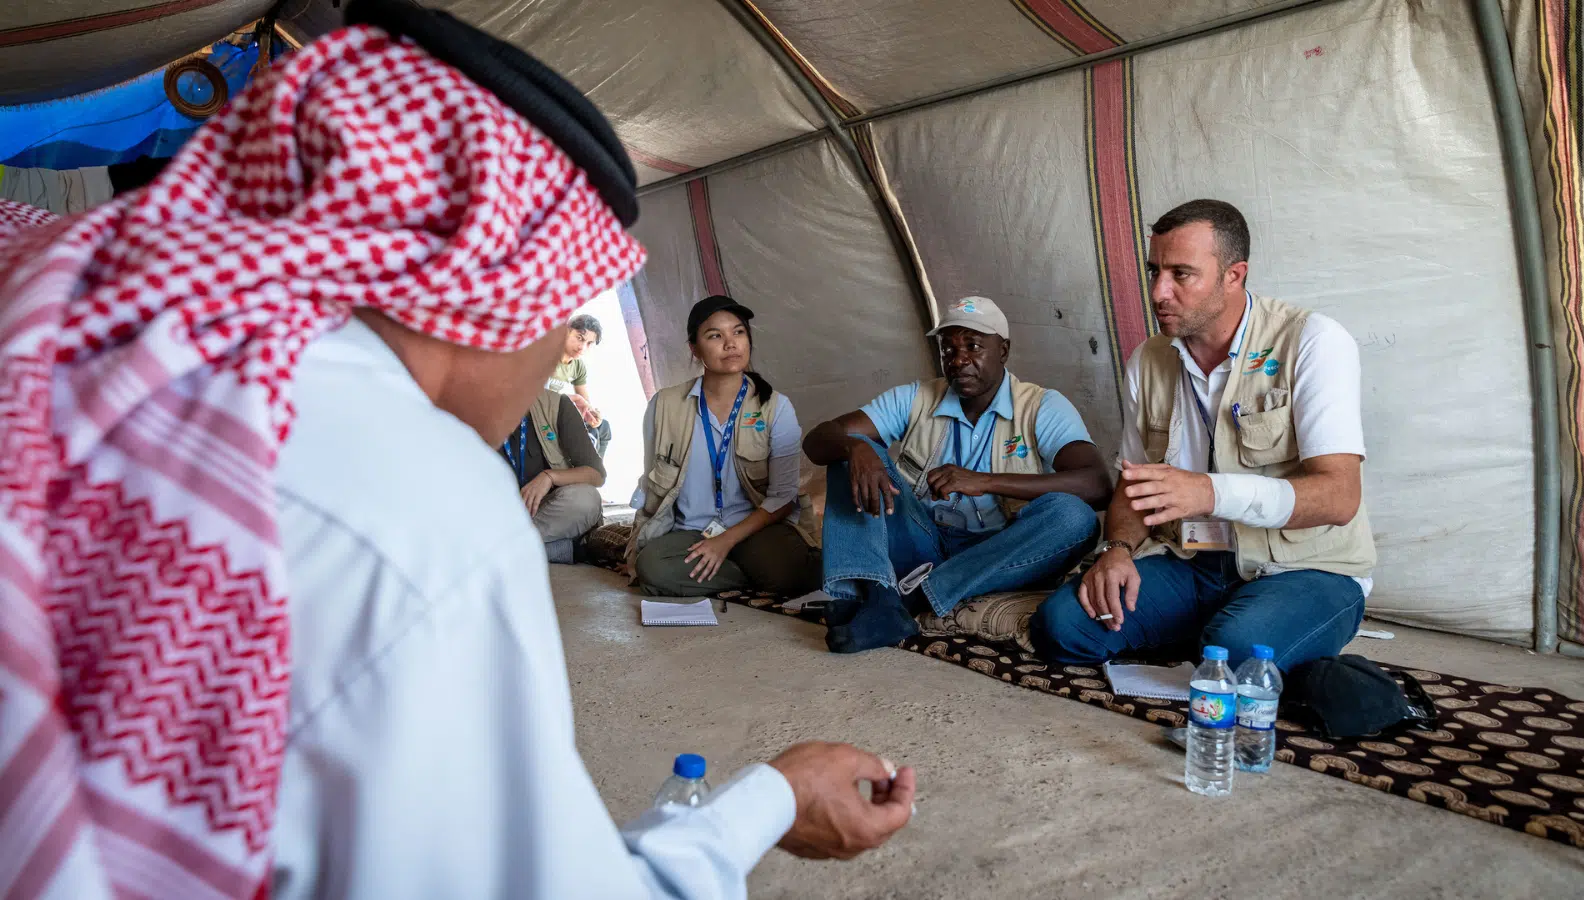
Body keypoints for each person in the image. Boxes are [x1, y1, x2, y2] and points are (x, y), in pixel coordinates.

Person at [0, 5, 913, 899]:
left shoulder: (61, 308)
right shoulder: (416, 501)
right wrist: (771, 801)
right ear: (495, 276)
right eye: (559, 310)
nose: (555, 346)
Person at [1030, 199, 1374, 674]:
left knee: (1236, 654)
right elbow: (1135, 485)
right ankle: (1216, 629)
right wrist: (1116, 551)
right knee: (1060, 626)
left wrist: (1208, 492)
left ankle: (1241, 630)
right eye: (1153, 271)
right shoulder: (1148, 360)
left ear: (1234, 275)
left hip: (1300, 569)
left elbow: (1339, 497)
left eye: (1181, 274)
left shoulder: (1313, 341)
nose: (1158, 292)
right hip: (1191, 561)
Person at [802, 296, 1111, 654]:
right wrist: (855, 448)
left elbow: (1097, 484)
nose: (959, 359)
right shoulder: (916, 397)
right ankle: (878, 591)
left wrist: (985, 481)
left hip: (1001, 552)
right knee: (848, 452)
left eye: (973, 346)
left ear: (1004, 350)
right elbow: (816, 441)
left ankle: (901, 601)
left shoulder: (1041, 405)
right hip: (922, 542)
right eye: (948, 349)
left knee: (1075, 518)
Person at [629, 294, 823, 598]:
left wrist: (726, 541)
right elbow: (654, 483)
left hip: (753, 528)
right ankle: (747, 575)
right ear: (694, 349)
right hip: (690, 531)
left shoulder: (775, 407)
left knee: (797, 572)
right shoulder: (664, 405)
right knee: (652, 568)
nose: (730, 343)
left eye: (738, 332)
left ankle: (727, 568)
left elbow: (783, 497)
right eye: (715, 335)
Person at [502, 388, 606, 564]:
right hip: (495, 516)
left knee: (586, 499)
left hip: (543, 515)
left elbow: (596, 475)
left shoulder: (555, 405)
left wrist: (549, 477)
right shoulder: (466, 411)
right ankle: (561, 550)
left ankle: (497, 550)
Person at [550, 313, 612, 458]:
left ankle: (594, 472)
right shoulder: (548, 354)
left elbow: (585, 404)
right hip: (540, 410)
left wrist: (593, 417)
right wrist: (567, 400)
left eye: (589, 343)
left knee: (603, 428)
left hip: (557, 410)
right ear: (566, 332)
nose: (582, 347)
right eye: (579, 338)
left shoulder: (578, 366)